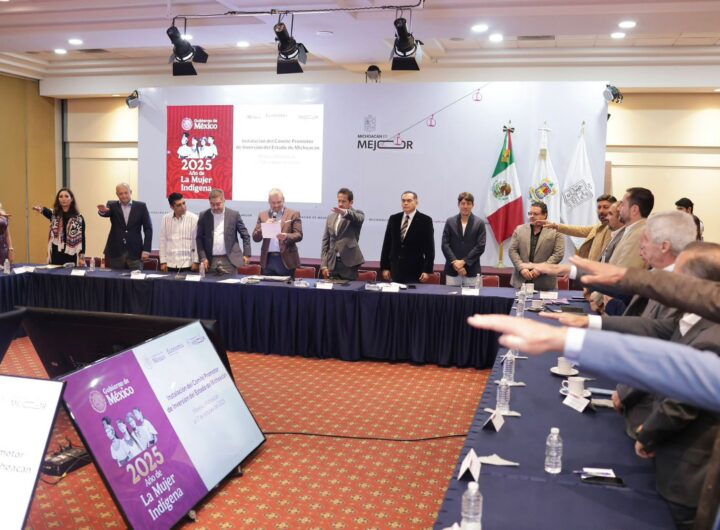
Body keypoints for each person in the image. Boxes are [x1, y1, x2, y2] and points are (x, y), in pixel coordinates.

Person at [538, 194, 616, 261]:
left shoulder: (616, 228)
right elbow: (580, 230)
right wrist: (555, 226)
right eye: (599, 207)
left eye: (606, 207)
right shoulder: (599, 227)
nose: (601, 211)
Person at [380, 191, 435, 284]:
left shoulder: (425, 220)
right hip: (395, 270)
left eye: (409, 200)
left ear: (416, 202)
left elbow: (430, 249)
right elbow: (387, 245)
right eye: (403, 201)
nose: (405, 203)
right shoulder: (394, 219)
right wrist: (385, 267)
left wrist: (427, 270)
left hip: (415, 270)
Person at [508, 201, 565, 290]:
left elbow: (558, 254)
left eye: (535, 214)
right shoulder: (519, 229)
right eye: (530, 213)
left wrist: (540, 269)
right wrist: (521, 268)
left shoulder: (556, 231)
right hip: (521, 281)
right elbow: (512, 250)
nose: (532, 216)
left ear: (545, 215)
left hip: (545, 282)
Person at [97, 183, 152, 270]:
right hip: (115, 253)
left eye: (126, 193)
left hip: (135, 253)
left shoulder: (141, 206)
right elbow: (106, 213)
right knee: (114, 279)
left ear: (130, 192)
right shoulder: (112, 205)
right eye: (121, 193)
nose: (124, 196)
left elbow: (148, 228)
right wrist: (102, 211)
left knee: (136, 278)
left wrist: (146, 249)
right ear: (117, 194)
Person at [196, 188, 251, 275]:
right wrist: (203, 257)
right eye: (212, 204)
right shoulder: (204, 216)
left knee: (231, 284)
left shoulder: (234, 215)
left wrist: (246, 254)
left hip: (230, 261)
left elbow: (245, 235)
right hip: (210, 261)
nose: (215, 207)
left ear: (224, 201)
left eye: (218, 204)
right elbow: (199, 239)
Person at [252, 188, 303, 277]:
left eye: (279, 202)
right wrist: (264, 227)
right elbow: (255, 238)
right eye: (273, 203)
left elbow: (299, 235)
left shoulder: (293, 214)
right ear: (269, 201)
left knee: (286, 286)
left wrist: (287, 236)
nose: (276, 205)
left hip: (286, 260)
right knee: (268, 286)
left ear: (283, 200)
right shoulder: (263, 215)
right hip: (268, 260)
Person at [441, 192, 487, 286]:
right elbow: (445, 245)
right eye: (463, 203)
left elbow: (480, 246)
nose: (465, 206)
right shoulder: (450, 221)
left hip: (472, 271)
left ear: (473, 205)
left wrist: (463, 262)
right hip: (452, 271)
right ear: (458, 205)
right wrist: (455, 263)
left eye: (468, 203)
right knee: (451, 296)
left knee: (474, 296)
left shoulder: (479, 223)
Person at [32, 188, 86, 266]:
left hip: (71, 253)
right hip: (56, 252)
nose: (63, 199)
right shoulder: (55, 215)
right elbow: (47, 212)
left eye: (66, 196)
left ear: (71, 199)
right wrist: (41, 209)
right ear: (58, 199)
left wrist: (82, 257)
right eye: (61, 196)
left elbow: (82, 238)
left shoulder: (79, 218)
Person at [320, 188, 364, 280]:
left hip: (349, 264)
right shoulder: (330, 217)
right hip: (332, 263)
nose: (340, 204)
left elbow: (358, 218)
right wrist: (324, 265)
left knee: (349, 289)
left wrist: (345, 212)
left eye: (343, 201)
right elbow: (325, 242)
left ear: (351, 202)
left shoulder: (357, 214)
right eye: (339, 201)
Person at [159, 192, 198, 272]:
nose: (183, 207)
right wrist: (163, 261)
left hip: (188, 264)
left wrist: (196, 261)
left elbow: (197, 241)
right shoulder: (165, 219)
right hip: (170, 264)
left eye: (184, 203)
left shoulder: (194, 218)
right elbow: (163, 241)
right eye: (179, 205)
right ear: (172, 207)